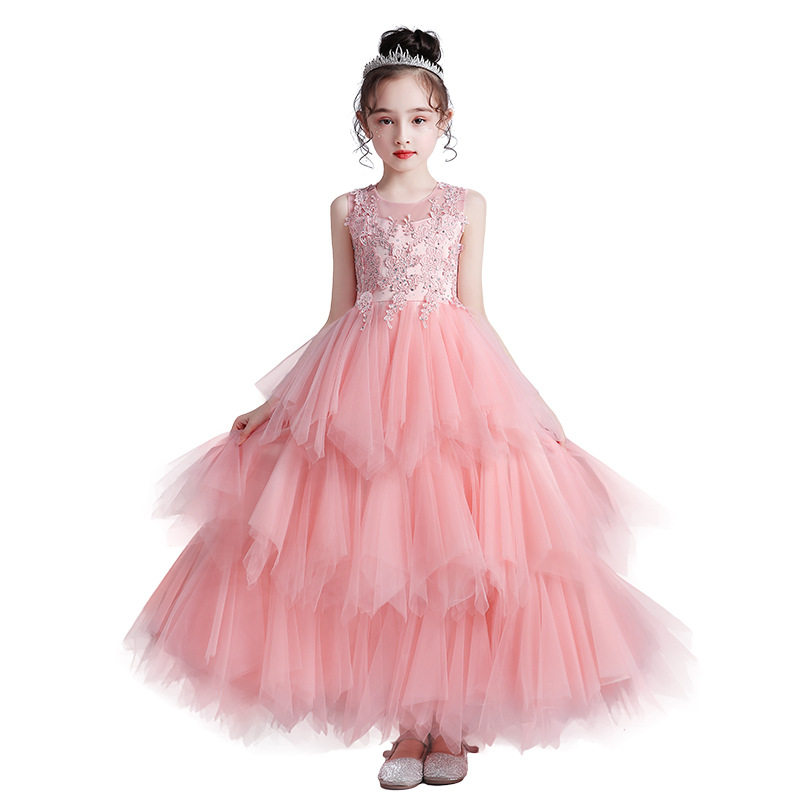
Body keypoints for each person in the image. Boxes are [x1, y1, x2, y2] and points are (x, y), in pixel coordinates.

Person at [123, 26, 696, 791]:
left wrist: (532, 406)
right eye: (386, 118)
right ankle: (407, 725)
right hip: (361, 393)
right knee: (386, 556)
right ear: (364, 122)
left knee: (458, 553)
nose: (403, 133)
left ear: (444, 121)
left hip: (455, 389)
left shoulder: (467, 205)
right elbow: (338, 313)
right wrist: (274, 406)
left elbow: (476, 309)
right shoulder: (347, 208)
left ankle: (450, 721)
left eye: (420, 118)